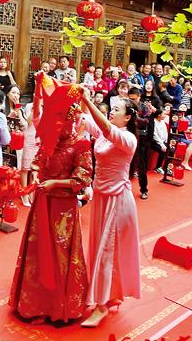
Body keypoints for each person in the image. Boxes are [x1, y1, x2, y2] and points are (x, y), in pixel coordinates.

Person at [10, 105, 92, 325]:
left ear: (70, 122)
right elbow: (37, 162)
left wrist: (55, 183)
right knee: (38, 249)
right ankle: (35, 304)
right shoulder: (49, 141)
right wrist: (37, 175)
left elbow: (83, 178)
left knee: (60, 252)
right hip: (43, 201)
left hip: (63, 207)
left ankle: (60, 306)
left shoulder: (81, 144)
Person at [77, 92, 140, 327]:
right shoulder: (105, 135)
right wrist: (79, 98)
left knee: (107, 252)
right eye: (111, 109)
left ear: (128, 117)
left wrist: (88, 100)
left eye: (116, 109)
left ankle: (101, 306)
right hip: (102, 198)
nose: (111, 112)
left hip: (118, 200)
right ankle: (109, 295)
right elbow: (88, 121)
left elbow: (104, 126)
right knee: (101, 249)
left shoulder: (128, 138)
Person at [151, 108, 167, 174]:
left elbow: (165, 132)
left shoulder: (163, 122)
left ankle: (166, 167)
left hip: (163, 141)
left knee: (171, 148)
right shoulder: (153, 122)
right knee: (162, 151)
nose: (165, 116)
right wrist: (162, 144)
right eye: (164, 114)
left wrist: (166, 141)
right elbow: (154, 135)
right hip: (154, 142)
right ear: (159, 115)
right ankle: (158, 167)